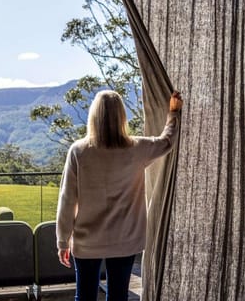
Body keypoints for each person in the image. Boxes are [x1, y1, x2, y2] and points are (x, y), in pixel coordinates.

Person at [56, 90, 183, 301]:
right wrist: (173, 113)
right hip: (125, 239)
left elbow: (67, 199)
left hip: (87, 241)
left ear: (93, 116)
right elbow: (166, 141)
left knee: (85, 296)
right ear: (121, 116)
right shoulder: (137, 148)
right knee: (118, 296)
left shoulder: (78, 151)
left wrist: (62, 240)